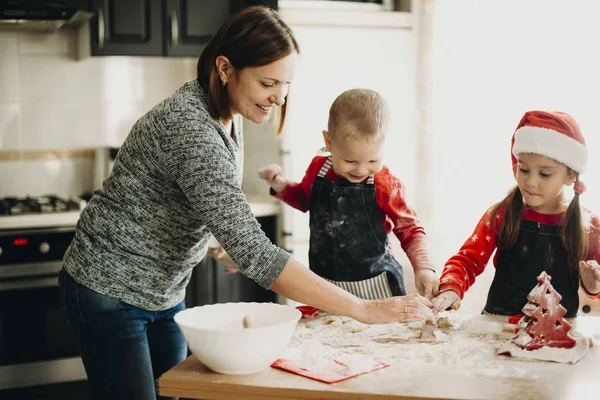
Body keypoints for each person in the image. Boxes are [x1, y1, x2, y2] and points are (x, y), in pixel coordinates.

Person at [59, 6, 434, 400]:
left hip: (163, 293)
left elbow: (181, 201)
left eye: (286, 83)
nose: (279, 96)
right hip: (108, 289)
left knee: (171, 393)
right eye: (268, 82)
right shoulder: (191, 127)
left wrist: (213, 239)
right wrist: (363, 309)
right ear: (225, 68)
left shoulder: (227, 114)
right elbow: (255, 251)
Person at [258, 89, 439, 300]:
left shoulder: (384, 183)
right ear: (329, 142)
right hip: (324, 285)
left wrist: (424, 267)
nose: (361, 170)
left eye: (373, 161)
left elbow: (410, 230)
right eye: (350, 161)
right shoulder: (319, 169)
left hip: (376, 288)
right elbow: (305, 200)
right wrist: (280, 185)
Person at [433, 110, 600, 317]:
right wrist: (451, 288)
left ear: (570, 176)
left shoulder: (588, 225)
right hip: (498, 330)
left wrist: (592, 287)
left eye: (544, 173)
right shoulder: (502, 215)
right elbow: (467, 261)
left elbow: (596, 290)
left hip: (557, 337)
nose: (530, 181)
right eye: (524, 169)